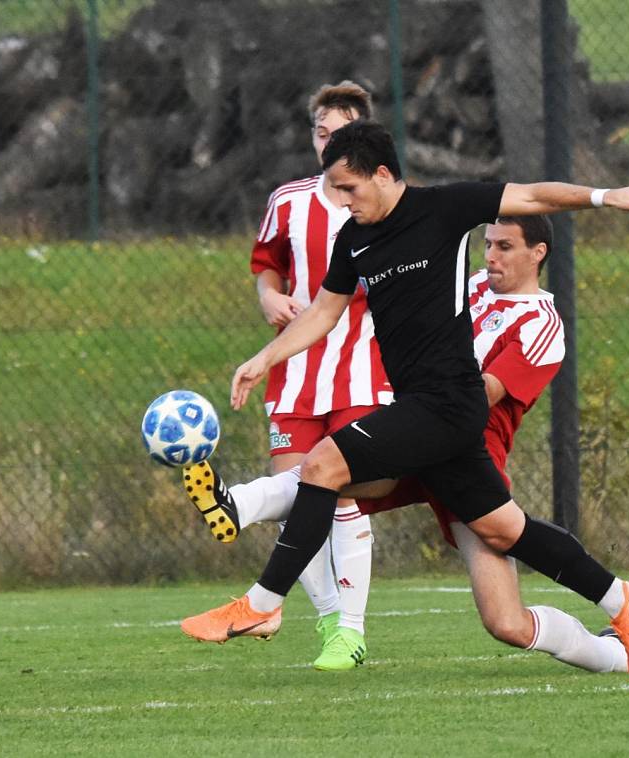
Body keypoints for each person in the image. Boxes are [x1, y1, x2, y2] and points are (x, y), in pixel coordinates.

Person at [180, 120, 629, 675]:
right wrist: (264, 358)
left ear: (384, 174)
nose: (341, 202)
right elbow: (323, 312)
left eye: (349, 189)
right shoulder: (354, 238)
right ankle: (619, 604)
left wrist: (607, 196)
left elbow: (533, 195)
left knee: (324, 464)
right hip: (432, 415)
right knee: (504, 533)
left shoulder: (444, 209)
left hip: (447, 405)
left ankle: (263, 603)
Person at [187, 82, 389, 670]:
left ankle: (347, 628)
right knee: (304, 502)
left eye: (341, 134)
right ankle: (325, 625)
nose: (328, 145)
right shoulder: (288, 201)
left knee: (340, 484)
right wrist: (269, 300)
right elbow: (266, 267)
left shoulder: (382, 202)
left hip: (361, 365)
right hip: (296, 369)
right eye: (321, 133)